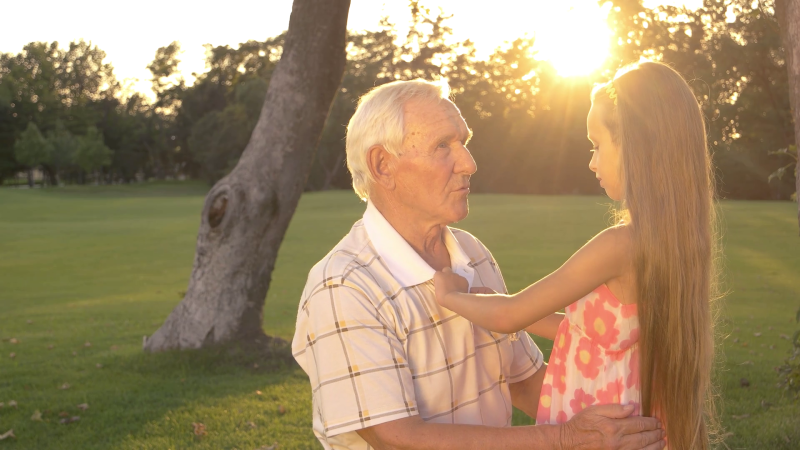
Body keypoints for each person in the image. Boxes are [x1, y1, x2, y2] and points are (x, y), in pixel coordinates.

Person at [292, 78, 665, 450]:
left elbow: (526, 381)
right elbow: (399, 438)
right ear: (383, 165)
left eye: (464, 143)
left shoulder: (472, 254)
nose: (469, 164)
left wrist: (623, 427)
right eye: (443, 146)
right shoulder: (344, 286)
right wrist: (566, 439)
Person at [434, 62, 719, 450]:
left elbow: (508, 316)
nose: (591, 161)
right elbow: (593, 334)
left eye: (597, 145)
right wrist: (490, 301)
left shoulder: (618, 245)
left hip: (602, 431)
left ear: (636, 147)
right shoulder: (674, 242)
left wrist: (451, 295)